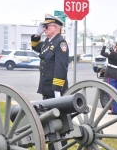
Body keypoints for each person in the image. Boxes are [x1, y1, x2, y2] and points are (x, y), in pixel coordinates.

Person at [31, 13, 69, 150]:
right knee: (50, 122)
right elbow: (35, 46)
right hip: (47, 88)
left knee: (58, 123)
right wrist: (37, 34)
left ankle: (59, 147)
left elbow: (61, 67)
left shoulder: (60, 43)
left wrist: (57, 90)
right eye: (43, 27)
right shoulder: (48, 42)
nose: (44, 29)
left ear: (56, 27)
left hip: (55, 89)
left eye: (46, 26)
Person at [100, 37, 117, 115]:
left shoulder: (113, 54)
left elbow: (102, 53)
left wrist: (104, 45)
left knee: (111, 93)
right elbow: (113, 55)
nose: (115, 45)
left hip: (111, 73)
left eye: (116, 44)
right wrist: (111, 49)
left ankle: (114, 111)